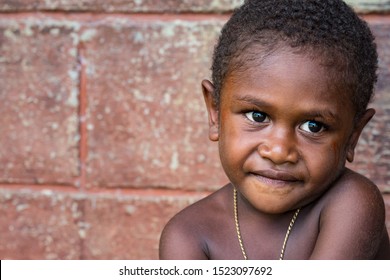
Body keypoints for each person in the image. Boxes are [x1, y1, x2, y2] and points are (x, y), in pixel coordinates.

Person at [159, 0, 390, 259]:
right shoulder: (188, 235)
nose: (279, 151)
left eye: (313, 126)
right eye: (258, 116)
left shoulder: (352, 203)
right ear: (215, 111)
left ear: (353, 135)